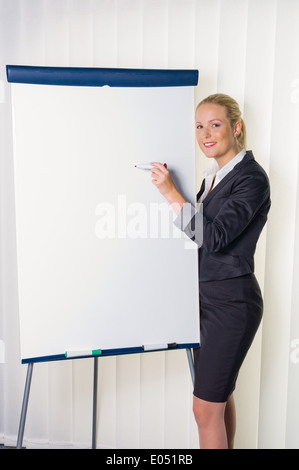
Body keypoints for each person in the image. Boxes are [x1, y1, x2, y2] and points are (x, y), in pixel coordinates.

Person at [150, 93, 271, 449]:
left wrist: (172, 194)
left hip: (232, 304)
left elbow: (215, 238)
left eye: (214, 124)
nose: (205, 133)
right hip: (206, 300)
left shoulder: (252, 178)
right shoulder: (214, 177)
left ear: (236, 128)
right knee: (218, 399)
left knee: (204, 409)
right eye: (199, 126)